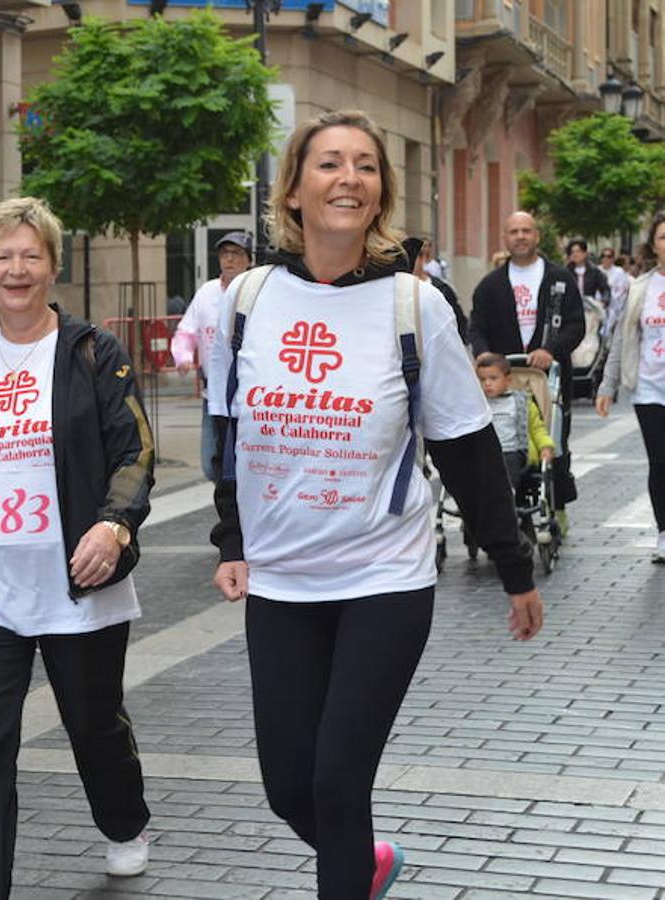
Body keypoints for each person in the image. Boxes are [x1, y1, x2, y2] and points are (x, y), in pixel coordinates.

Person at [210, 110, 543, 900]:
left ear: (380, 194)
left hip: (383, 578)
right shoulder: (247, 300)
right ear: (293, 189)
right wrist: (231, 540)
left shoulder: (413, 306)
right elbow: (228, 430)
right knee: (287, 787)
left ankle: (347, 871)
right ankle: (365, 865)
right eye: (328, 163)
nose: (348, 178)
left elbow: (465, 448)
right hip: (282, 580)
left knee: (336, 783)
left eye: (364, 165)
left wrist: (513, 567)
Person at [0, 197, 155, 898]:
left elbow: (133, 451)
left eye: (30, 255)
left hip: (77, 583)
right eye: (2, 256)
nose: (16, 269)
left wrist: (113, 525)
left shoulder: (91, 353)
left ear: (52, 265)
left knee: (92, 725)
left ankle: (125, 822)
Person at [470, 211, 585, 534]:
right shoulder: (491, 285)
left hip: (548, 377)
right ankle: (511, 509)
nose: (520, 236)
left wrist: (551, 349)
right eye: (514, 231)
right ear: (505, 238)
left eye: (526, 230)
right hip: (504, 378)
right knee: (506, 443)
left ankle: (557, 504)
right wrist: (484, 356)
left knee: (553, 441)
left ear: (537, 236)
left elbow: (576, 324)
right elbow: (476, 327)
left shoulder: (559, 279)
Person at [597, 213, 665, 563]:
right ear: (653, 245)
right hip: (650, 388)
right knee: (660, 462)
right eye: (663, 237)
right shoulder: (641, 287)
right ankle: (664, 532)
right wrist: (607, 386)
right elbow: (622, 339)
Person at [172, 231, 252, 480]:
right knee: (211, 463)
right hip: (213, 393)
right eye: (224, 253)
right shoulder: (207, 292)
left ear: (249, 259)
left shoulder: (256, 292)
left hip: (246, 396)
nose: (229, 259)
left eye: (236, 253)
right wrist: (183, 356)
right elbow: (187, 330)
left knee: (241, 464)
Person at [475, 352, 555, 489]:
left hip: (514, 451)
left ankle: (508, 492)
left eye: (493, 378)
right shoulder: (478, 404)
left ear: (508, 380)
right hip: (486, 451)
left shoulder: (521, 402)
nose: (487, 384)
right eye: (482, 380)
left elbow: (537, 429)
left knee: (508, 461)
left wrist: (545, 446)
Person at [404, 236, 468, 344]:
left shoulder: (442, 289)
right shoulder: (399, 291)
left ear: (422, 259)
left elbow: (458, 319)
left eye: (414, 259)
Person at [567, 239, 609, 309]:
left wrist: (603, 302)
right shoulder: (567, 271)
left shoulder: (594, 271)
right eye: (572, 252)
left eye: (578, 251)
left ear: (585, 253)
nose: (575, 254)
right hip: (571, 308)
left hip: (589, 308)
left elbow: (605, 289)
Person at [600, 246, 633, 336]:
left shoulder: (619, 272)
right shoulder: (597, 271)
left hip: (613, 306)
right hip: (598, 305)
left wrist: (610, 300)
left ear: (613, 258)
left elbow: (621, 290)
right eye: (603, 256)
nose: (606, 259)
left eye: (609, 256)